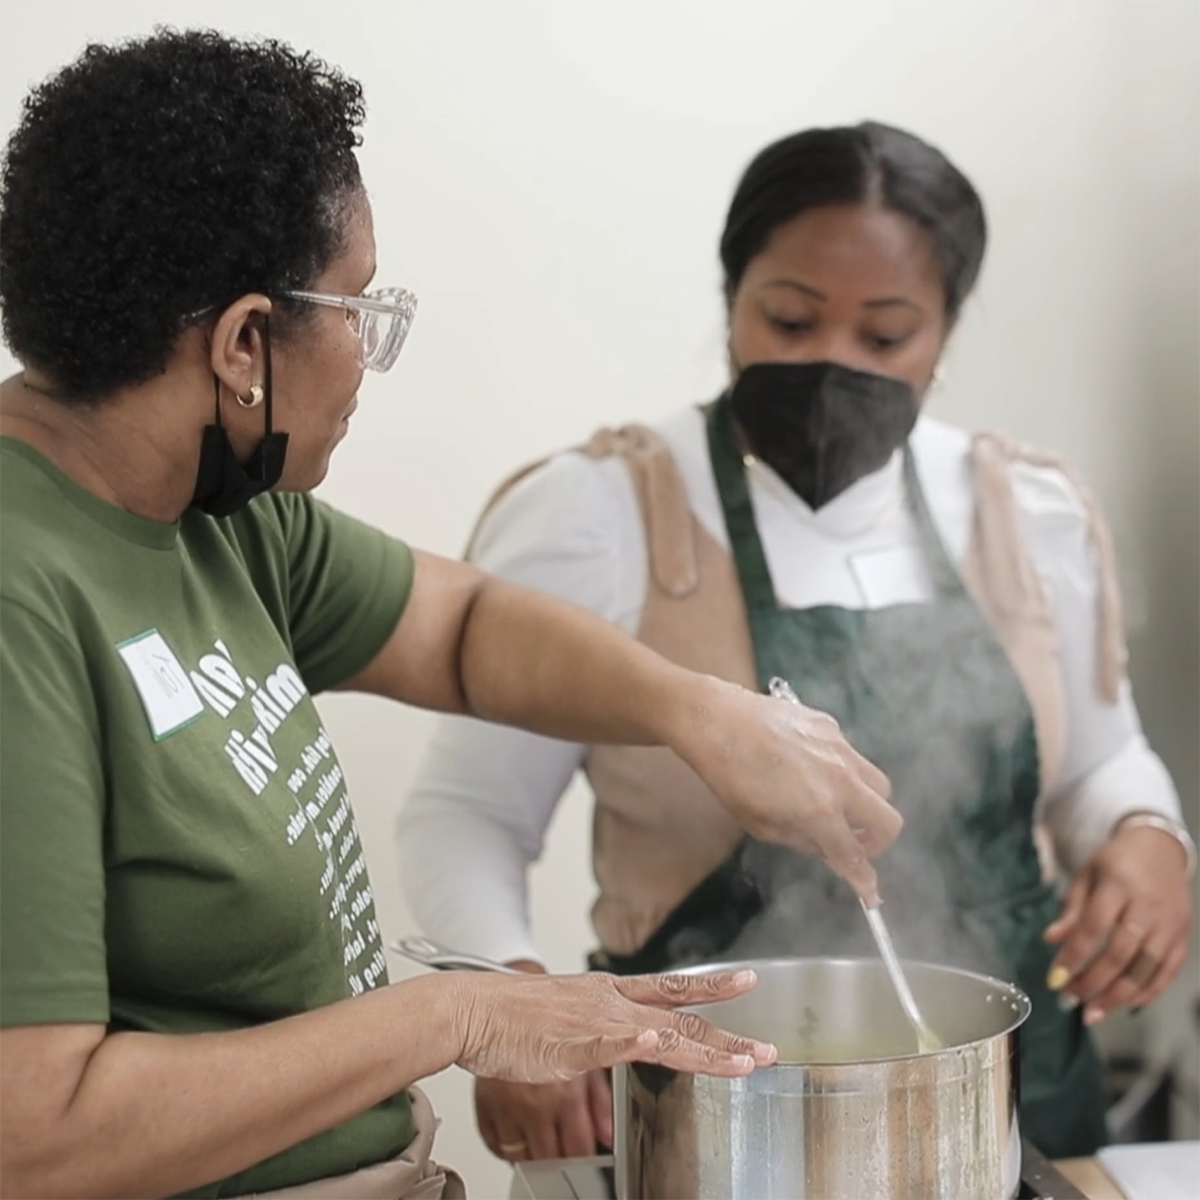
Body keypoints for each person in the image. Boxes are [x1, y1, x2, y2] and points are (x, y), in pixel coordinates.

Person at [0, 35, 912, 1200]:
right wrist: (462, 1013)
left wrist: (699, 712)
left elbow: (460, 627)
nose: (368, 353)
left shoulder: (209, 508)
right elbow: (38, 1137)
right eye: (355, 306)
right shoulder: (24, 594)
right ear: (241, 346)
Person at [399, 121, 1197, 1163]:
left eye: (885, 336)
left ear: (946, 335)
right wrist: (509, 998)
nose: (830, 364)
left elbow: (1099, 759)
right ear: (731, 302)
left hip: (1012, 1109)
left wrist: (1148, 835)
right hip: (712, 1131)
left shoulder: (1024, 510)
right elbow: (466, 811)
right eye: (788, 318)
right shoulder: (598, 513)